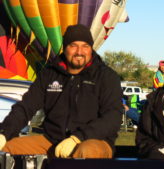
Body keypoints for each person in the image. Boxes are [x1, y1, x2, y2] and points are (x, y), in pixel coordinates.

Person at [0, 24, 123, 159]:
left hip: (94, 140)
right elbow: (26, 107)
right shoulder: (49, 74)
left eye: (85, 46)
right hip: (52, 140)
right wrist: (5, 133)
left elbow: (113, 117)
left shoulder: (106, 76)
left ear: (91, 48)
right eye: (73, 46)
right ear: (65, 48)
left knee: (85, 152)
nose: (79, 52)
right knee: (6, 149)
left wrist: (77, 138)